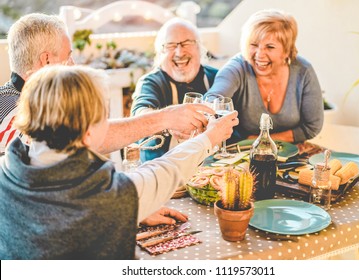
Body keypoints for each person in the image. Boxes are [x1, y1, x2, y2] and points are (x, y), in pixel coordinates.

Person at [0, 64, 238, 259]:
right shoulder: (108, 197)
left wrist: (130, 212)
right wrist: (210, 138)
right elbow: (164, 172)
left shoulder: (5, 170)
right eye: (104, 116)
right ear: (89, 134)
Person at [0, 13, 213, 225]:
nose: (73, 64)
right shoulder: (14, 120)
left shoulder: (30, 106)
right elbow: (47, 205)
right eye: (68, 55)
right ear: (47, 60)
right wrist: (167, 119)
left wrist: (128, 209)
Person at [204, 9, 323, 143]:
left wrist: (261, 140)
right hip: (241, 151)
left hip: (293, 152)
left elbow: (312, 127)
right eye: (254, 45)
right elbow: (214, 98)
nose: (259, 54)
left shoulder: (303, 71)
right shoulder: (236, 68)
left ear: (287, 50)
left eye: (270, 47)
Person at [131, 17, 218, 162]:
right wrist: (170, 121)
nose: (179, 52)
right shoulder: (150, 82)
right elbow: (139, 115)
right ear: (160, 53)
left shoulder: (216, 77)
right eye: (170, 45)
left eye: (187, 43)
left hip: (212, 169)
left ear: (199, 48)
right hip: (162, 172)